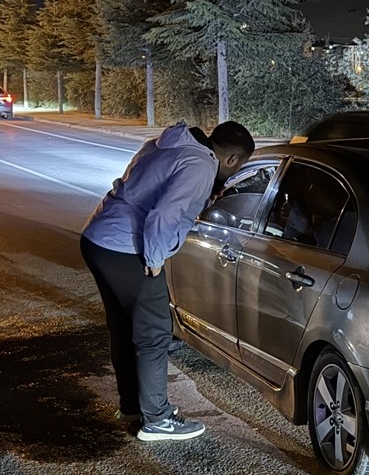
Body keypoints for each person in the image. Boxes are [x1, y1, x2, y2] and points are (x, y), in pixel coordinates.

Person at [81, 120, 255, 441]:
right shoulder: (201, 165)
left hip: (98, 238)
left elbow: (149, 187)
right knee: (154, 333)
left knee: (124, 328)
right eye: (238, 166)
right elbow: (164, 215)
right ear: (232, 159)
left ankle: (132, 407)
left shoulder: (170, 143)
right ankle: (158, 419)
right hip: (126, 248)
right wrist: (155, 258)